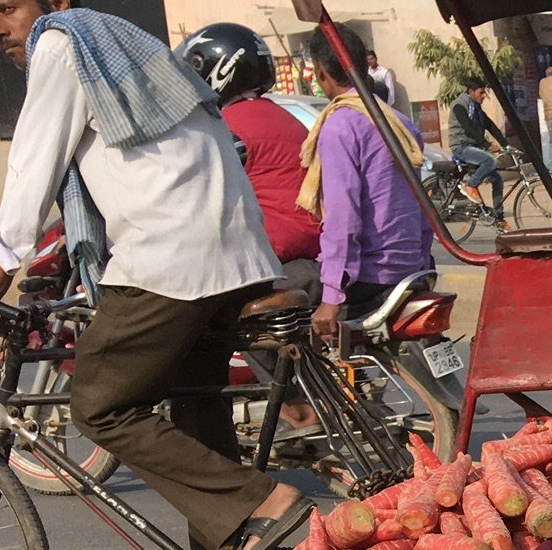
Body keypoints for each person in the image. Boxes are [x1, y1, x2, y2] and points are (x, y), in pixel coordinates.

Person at [0, 0, 302, 550]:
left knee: (99, 406)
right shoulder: (126, 43)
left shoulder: (62, 41)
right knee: (193, 395)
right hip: (235, 252)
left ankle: (263, 501)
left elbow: (33, 162)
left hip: (171, 254)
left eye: (7, 9)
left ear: (56, 2)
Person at [297, 23, 434, 343]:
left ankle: (296, 393)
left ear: (320, 72)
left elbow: (343, 217)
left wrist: (332, 297)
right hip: (410, 270)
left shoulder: (340, 125)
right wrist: (423, 266)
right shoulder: (398, 121)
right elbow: (421, 205)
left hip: (371, 278)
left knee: (284, 290)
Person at [175, 22, 322, 303]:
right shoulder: (284, 117)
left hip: (269, 259)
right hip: (309, 249)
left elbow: (193, 192)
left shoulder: (227, 130)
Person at [446, 77, 506, 225]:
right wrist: (486, 145)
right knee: (490, 160)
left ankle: (499, 219)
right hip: (461, 147)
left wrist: (505, 144)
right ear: (471, 92)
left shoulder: (476, 107)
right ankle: (471, 185)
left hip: (473, 147)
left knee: (498, 179)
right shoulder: (460, 105)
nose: (483, 96)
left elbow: (489, 125)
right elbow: (468, 128)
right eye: (481, 92)